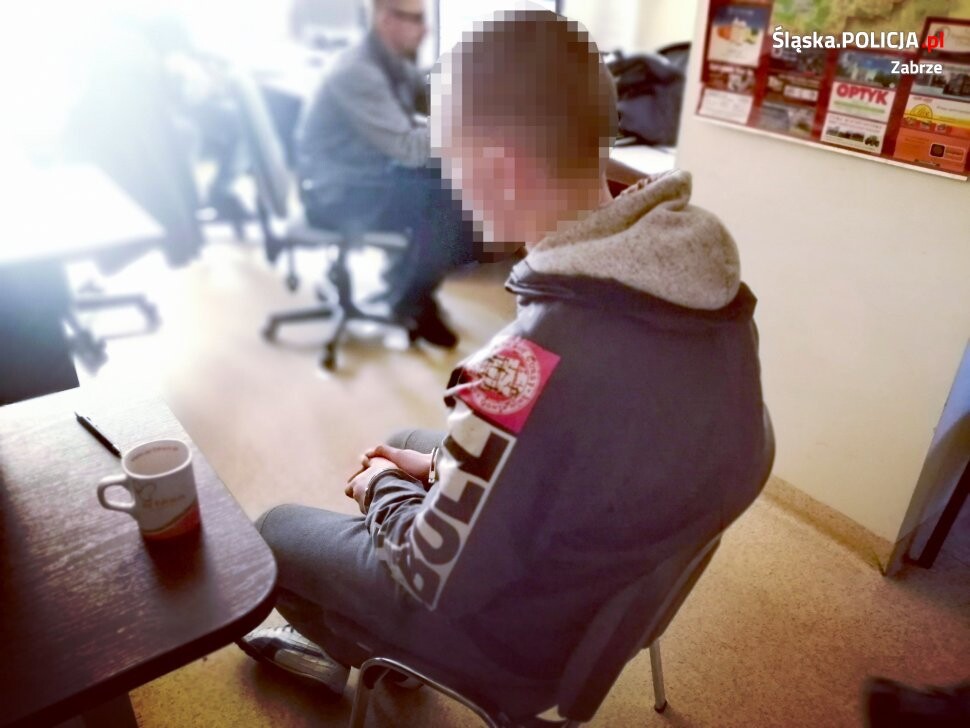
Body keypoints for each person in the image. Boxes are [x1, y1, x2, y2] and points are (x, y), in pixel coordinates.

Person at [240, 7, 770, 722]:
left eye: (453, 163)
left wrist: (380, 490)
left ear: (498, 163)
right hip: (604, 555)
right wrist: (438, 468)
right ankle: (367, 617)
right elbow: (552, 447)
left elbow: (426, 572)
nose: (453, 187)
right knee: (409, 441)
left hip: (515, 638)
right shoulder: (701, 278)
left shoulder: (527, 365)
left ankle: (364, 650)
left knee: (273, 530)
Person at [296, 0, 476, 348]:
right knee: (458, 203)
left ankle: (405, 285)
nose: (425, 29)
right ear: (386, 20)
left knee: (452, 183)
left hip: (360, 176)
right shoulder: (358, 71)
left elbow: (422, 96)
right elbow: (408, 147)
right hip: (337, 193)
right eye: (416, 20)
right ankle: (409, 299)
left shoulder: (388, 61)